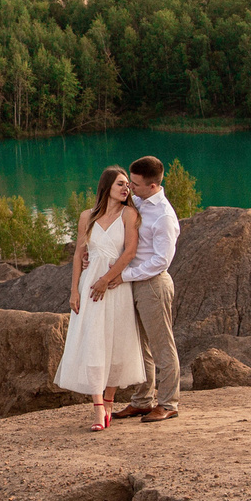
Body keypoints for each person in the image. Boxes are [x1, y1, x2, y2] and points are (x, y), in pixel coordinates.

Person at [52, 166, 147, 429]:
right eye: (120, 184)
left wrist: (106, 280)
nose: (126, 188)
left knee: (115, 345)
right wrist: (74, 290)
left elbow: (129, 252)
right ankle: (97, 411)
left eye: (128, 185)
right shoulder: (87, 216)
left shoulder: (130, 214)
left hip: (115, 286)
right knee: (92, 343)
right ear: (106, 187)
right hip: (89, 286)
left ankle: (109, 404)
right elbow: (78, 255)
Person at [113, 154, 182, 422]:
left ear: (153, 186)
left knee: (162, 345)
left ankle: (168, 403)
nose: (131, 188)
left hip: (152, 285)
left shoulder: (164, 216)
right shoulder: (138, 202)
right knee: (141, 347)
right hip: (133, 282)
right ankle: (142, 400)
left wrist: (126, 275)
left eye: (136, 184)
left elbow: (161, 261)